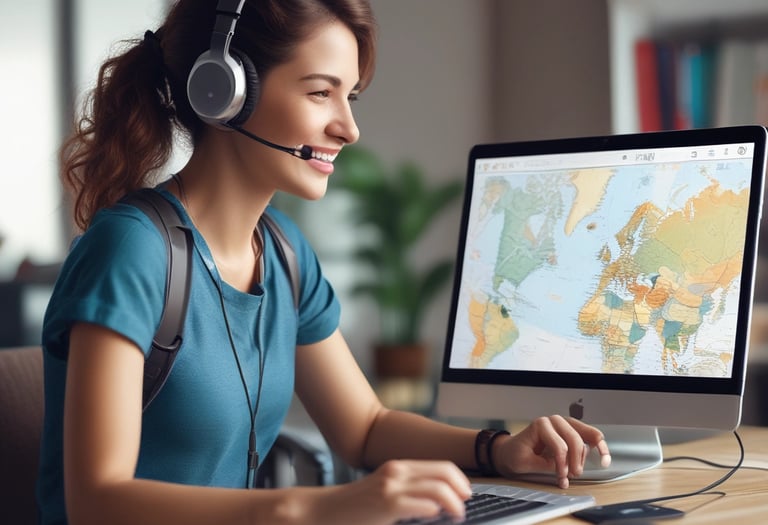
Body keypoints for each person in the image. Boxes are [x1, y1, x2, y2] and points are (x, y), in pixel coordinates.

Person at [36, 1, 611, 524]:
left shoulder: (282, 253)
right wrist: (313, 509)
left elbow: (365, 428)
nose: (349, 128)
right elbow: (97, 500)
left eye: (351, 96)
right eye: (319, 93)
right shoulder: (133, 250)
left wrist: (497, 448)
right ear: (223, 91)